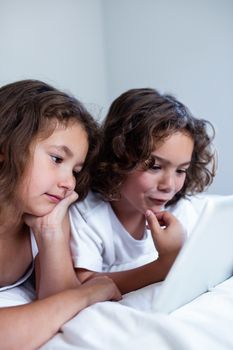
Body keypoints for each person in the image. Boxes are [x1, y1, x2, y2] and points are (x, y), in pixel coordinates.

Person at [0, 79, 122, 350]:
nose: (69, 182)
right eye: (57, 159)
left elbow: (59, 301)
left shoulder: (50, 211)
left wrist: (51, 232)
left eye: (75, 171)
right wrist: (87, 294)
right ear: (5, 149)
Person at [69, 87, 216, 294]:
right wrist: (164, 265)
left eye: (181, 170)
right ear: (117, 157)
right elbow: (84, 283)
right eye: (155, 167)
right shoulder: (87, 215)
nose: (169, 185)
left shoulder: (181, 208)